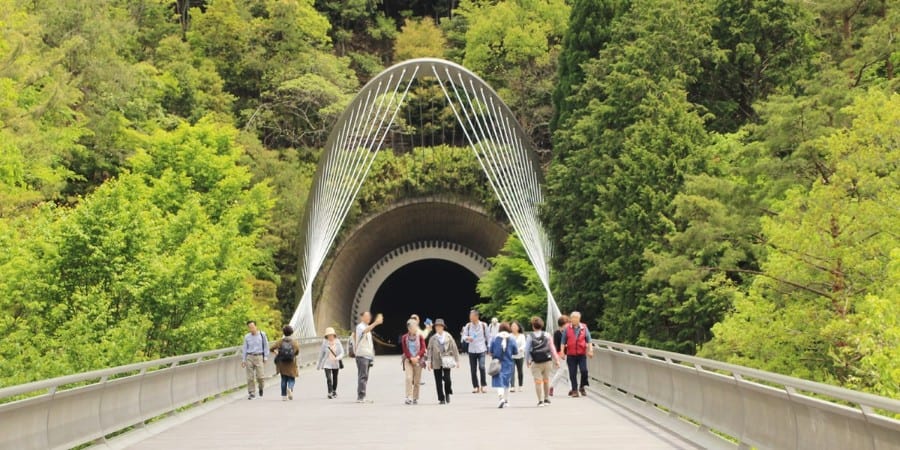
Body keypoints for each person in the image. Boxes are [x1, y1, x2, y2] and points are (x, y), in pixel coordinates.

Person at [525, 317, 561, 407]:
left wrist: (527, 361)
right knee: (546, 380)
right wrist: (556, 359)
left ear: (533, 326)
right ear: (542, 325)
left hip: (536, 362)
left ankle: (540, 401)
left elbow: (527, 350)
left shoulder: (530, 336)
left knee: (538, 382)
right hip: (547, 361)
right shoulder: (547, 335)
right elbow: (552, 348)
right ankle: (546, 398)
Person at [559, 311, 593, 397]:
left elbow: (589, 340)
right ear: (571, 319)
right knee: (572, 373)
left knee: (584, 371)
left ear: (579, 319)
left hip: (581, 354)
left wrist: (590, 350)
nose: (574, 320)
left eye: (576, 318)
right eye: (572, 318)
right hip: (571, 354)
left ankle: (582, 386)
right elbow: (563, 341)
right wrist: (562, 352)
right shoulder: (567, 329)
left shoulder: (584, 328)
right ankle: (574, 390)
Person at [352, 311, 383, 403]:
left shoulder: (367, 328)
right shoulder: (360, 327)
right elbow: (365, 331)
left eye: (369, 316)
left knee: (365, 376)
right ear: (362, 318)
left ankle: (362, 395)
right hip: (362, 355)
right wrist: (376, 323)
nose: (369, 318)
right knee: (363, 376)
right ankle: (360, 396)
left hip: (367, 355)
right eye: (366, 316)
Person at [426, 319, 460, 405]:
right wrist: (429, 361)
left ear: (443, 327)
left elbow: (454, 348)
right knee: (438, 380)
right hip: (436, 360)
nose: (438, 327)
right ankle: (441, 398)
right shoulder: (433, 338)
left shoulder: (448, 336)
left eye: (440, 326)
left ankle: (448, 392)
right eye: (436, 326)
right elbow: (429, 350)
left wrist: (457, 360)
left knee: (447, 379)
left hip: (447, 359)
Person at [490, 322, 518, 408]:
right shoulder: (512, 338)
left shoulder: (495, 338)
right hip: (508, 363)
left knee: (499, 382)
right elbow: (515, 351)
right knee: (506, 382)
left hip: (497, 363)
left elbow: (491, 350)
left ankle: (501, 398)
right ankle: (506, 400)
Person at [270, 325, 300, 401]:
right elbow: (297, 352)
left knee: (283, 379)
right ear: (291, 332)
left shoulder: (280, 341)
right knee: (291, 378)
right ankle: (289, 388)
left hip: (282, 363)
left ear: (283, 332)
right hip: (291, 363)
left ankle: (284, 396)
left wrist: (277, 353)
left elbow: (271, 348)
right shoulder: (294, 342)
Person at [462, 310, 490, 393]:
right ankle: (475, 386)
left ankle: (483, 385)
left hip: (481, 349)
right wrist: (467, 338)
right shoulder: (468, 326)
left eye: (472, 316)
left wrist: (489, 348)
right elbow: (463, 336)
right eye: (470, 316)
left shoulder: (484, 325)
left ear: (477, 317)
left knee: (482, 367)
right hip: (472, 350)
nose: (470, 317)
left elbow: (488, 337)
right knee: (473, 369)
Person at [241, 320, 269, 400]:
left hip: (259, 356)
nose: (251, 329)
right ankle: (251, 393)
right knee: (250, 377)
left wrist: (265, 357)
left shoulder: (262, 334)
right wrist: (243, 360)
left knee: (260, 377)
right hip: (249, 357)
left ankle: (261, 387)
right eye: (249, 327)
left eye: (252, 327)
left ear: (256, 326)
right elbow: (245, 348)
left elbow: (266, 346)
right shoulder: (247, 336)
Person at [400, 319, 426, 405]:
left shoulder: (420, 337)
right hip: (408, 360)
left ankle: (415, 398)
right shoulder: (404, 338)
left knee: (416, 381)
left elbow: (423, 348)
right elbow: (405, 349)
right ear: (409, 328)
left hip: (418, 360)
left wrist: (417, 357)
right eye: (413, 327)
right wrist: (411, 358)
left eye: (416, 327)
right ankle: (408, 397)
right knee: (408, 378)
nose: (415, 328)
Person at [316, 327, 344, 399]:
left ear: (334, 335)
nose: (330, 336)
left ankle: (334, 391)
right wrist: (319, 364)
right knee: (329, 378)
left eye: (331, 335)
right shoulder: (325, 343)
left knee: (335, 378)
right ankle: (330, 392)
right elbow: (321, 354)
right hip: (327, 363)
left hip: (335, 363)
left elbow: (342, 353)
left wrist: (337, 358)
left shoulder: (337, 342)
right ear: (326, 336)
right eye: (328, 335)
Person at [549, 315, 570, 397]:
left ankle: (571, 389)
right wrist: (560, 354)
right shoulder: (557, 333)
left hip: (570, 354)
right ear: (562, 324)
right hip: (561, 355)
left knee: (569, 371)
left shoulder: (569, 332)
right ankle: (552, 387)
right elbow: (556, 345)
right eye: (566, 324)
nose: (568, 325)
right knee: (562, 371)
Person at [510, 321, 526, 392]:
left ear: (518, 327)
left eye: (515, 326)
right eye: (512, 326)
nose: (513, 327)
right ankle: (512, 386)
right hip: (511, 356)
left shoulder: (522, 336)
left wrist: (520, 349)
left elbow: (524, 344)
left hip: (520, 355)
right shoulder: (509, 336)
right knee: (511, 371)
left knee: (520, 371)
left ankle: (520, 385)